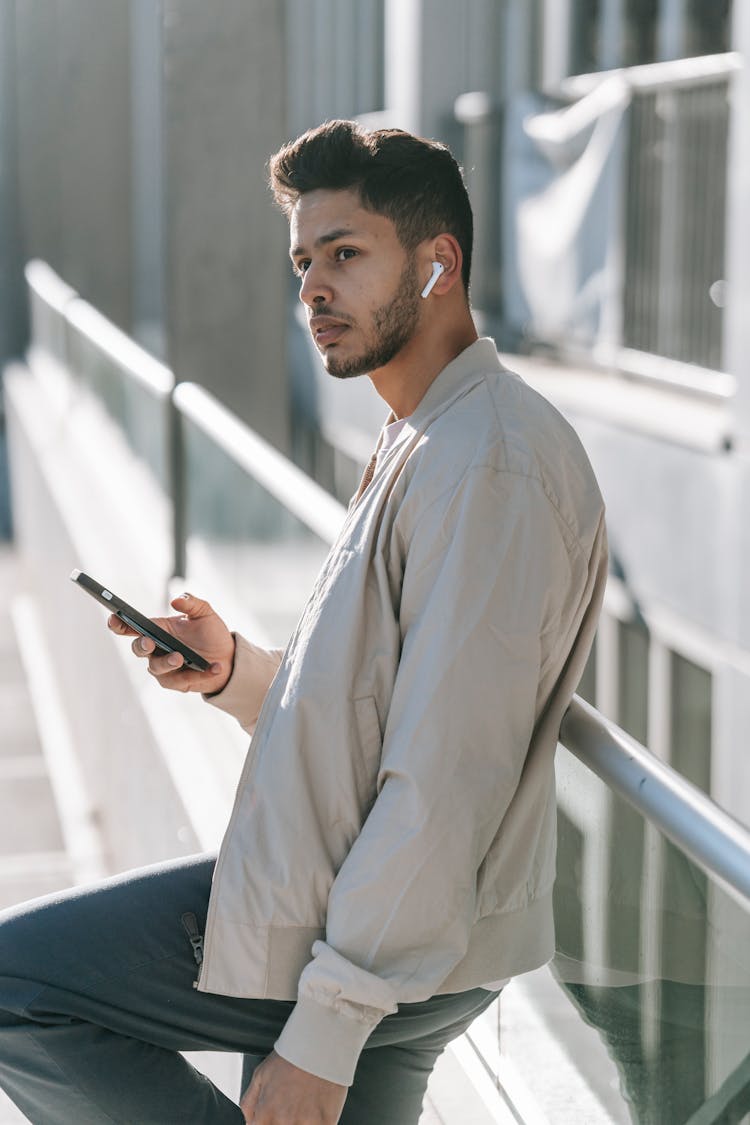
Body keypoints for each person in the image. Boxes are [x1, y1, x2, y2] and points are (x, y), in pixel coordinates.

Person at [0, 120, 607, 1124]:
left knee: (17, 988)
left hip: (377, 933)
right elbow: (382, 703)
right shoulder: (428, 434)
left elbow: (446, 777)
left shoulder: (486, 466)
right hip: (380, 921)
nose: (313, 289)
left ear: (437, 265)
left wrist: (325, 1031)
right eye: (303, 261)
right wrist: (235, 673)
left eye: (346, 256)